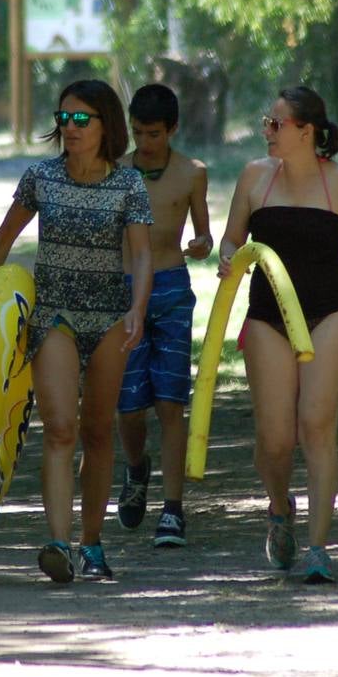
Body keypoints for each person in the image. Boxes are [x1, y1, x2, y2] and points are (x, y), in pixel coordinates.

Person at [219, 86, 338, 584]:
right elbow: (234, 237)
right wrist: (228, 254)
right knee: (275, 439)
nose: (267, 131)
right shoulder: (255, 177)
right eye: (267, 122)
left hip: (331, 314)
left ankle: (319, 547)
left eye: (276, 124)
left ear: (307, 132)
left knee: (316, 423)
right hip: (268, 316)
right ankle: (280, 509)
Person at [0, 79, 154, 583]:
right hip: (53, 314)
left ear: (106, 127)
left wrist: (138, 308)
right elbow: (1, 242)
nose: (70, 128)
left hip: (111, 319)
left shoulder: (128, 185)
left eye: (82, 119)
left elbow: (141, 253)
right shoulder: (40, 178)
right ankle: (57, 542)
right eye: (64, 118)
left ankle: (91, 543)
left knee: (98, 432)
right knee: (60, 428)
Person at [113, 83, 212, 548]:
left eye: (153, 133)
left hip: (172, 288)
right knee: (128, 405)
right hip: (123, 291)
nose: (144, 143)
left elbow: (204, 233)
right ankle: (136, 469)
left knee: (172, 402)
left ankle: (173, 510)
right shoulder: (116, 170)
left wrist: (201, 245)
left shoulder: (192, 173)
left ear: (172, 129)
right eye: (137, 133)